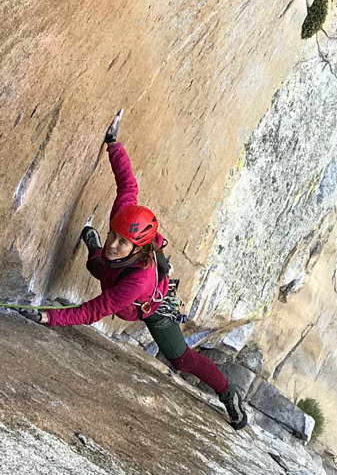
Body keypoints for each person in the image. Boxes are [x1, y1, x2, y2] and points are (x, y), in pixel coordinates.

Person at [24, 111, 248, 430]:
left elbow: (94, 311)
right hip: (121, 276)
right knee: (100, 263)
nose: (115, 242)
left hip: (150, 305)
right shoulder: (125, 219)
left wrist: (50, 317)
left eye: (122, 241)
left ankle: (228, 393)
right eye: (113, 235)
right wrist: (113, 142)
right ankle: (93, 250)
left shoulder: (138, 280)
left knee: (181, 358)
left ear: (139, 247)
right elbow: (127, 182)